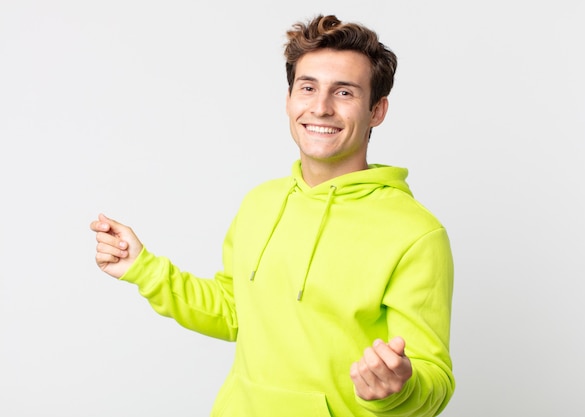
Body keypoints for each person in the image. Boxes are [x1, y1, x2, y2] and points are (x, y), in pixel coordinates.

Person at [90, 14, 454, 417]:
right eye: (308, 87)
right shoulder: (260, 203)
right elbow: (233, 312)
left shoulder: (416, 232)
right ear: (288, 99)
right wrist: (143, 268)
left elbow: (432, 376)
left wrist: (398, 388)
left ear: (377, 111)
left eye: (345, 93)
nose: (321, 107)